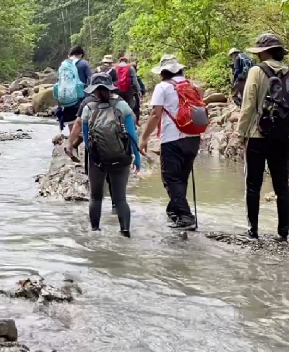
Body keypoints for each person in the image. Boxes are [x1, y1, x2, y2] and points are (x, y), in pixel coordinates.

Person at [237, 34, 289, 241]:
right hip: (282, 136)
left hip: (257, 134)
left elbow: (248, 104)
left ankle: (253, 231)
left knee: (253, 184)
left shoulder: (256, 71)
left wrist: (241, 132)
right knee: (282, 186)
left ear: (264, 52)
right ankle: (283, 233)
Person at [65, 73, 141, 237]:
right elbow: (133, 135)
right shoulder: (122, 106)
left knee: (96, 196)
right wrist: (138, 158)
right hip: (121, 157)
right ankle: (125, 232)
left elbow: (86, 139)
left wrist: (92, 155)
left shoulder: (88, 108)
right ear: (110, 87)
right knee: (120, 198)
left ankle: (95, 231)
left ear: (93, 90)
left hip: (97, 159)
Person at [139, 55, 200, 229]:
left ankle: (185, 216)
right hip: (193, 138)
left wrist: (144, 138)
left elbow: (155, 114)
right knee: (182, 177)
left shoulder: (163, 87)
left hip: (172, 139)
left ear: (163, 72)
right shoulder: (191, 85)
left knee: (170, 178)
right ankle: (174, 211)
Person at [55, 46, 93, 131]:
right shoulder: (83, 63)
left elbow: (58, 83)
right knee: (82, 120)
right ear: (80, 55)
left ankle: (72, 138)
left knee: (71, 121)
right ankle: (79, 140)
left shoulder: (63, 64)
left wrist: (59, 104)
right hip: (81, 98)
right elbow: (91, 79)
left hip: (66, 98)